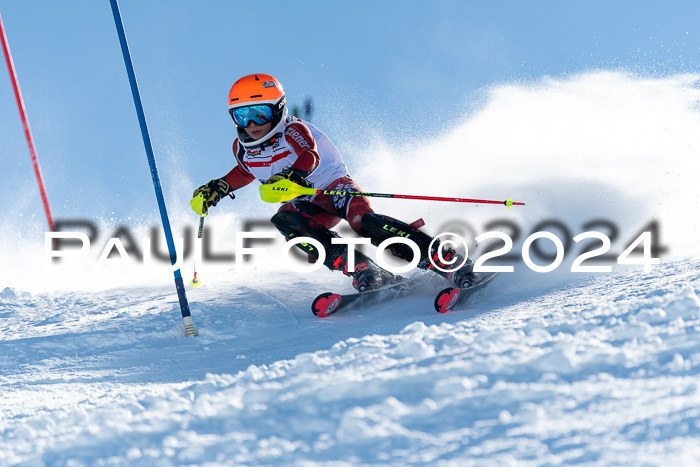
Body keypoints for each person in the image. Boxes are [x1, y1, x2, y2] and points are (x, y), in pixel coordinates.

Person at [192, 73, 475, 292]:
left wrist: (291, 175)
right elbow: (245, 171)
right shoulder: (243, 147)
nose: (252, 123)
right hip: (306, 202)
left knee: (365, 222)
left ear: (277, 109)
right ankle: (363, 268)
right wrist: (218, 187)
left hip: (333, 188)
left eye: (260, 113)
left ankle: (442, 259)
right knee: (285, 221)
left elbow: (309, 155)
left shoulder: (293, 129)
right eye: (243, 115)